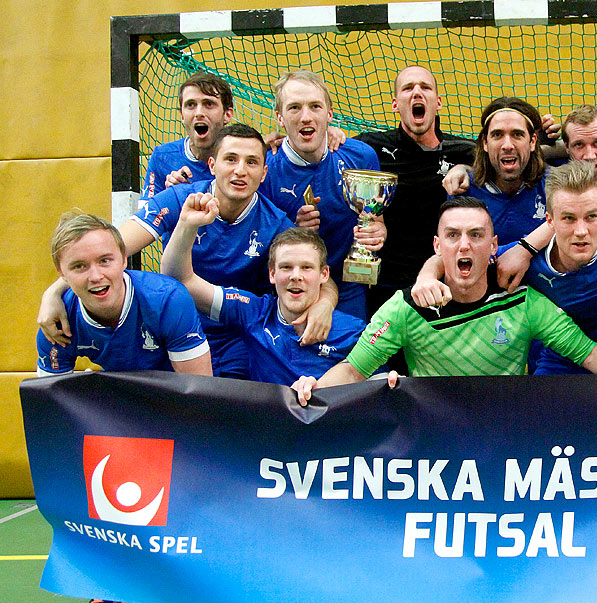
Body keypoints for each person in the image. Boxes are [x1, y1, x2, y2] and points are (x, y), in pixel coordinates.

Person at [292, 197, 597, 404]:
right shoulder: (405, 308)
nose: (465, 244)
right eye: (453, 236)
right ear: (438, 247)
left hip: (504, 434)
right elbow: (354, 370)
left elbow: (588, 352)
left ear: (493, 247)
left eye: (476, 235)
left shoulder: (523, 303)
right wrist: (311, 389)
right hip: (435, 441)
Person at [38, 124, 335, 379]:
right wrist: (53, 293)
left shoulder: (276, 223)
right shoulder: (181, 198)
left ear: (263, 172)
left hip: (236, 336)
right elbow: (109, 250)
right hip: (171, 330)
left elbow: (317, 275)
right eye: (230, 159)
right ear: (212, 165)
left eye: (251, 162)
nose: (240, 171)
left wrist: (325, 303)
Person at [36, 212, 212, 603]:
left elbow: (202, 396)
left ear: (123, 258)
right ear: (61, 274)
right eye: (78, 267)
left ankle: (185, 584)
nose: (95, 275)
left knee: (191, 472)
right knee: (85, 469)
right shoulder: (56, 319)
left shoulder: (167, 299)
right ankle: (107, 581)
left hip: (176, 400)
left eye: (105, 261)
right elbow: (53, 407)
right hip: (117, 408)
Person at [414, 161, 597, 374]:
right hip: (559, 363)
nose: (581, 231)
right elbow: (462, 254)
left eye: (590, 216)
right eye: (568, 218)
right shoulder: (518, 260)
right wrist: (427, 276)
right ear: (549, 221)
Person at [161, 196, 366, 385]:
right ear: (272, 274)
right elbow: (181, 279)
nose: (296, 276)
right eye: (286, 267)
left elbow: (378, 393)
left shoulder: (354, 332)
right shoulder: (253, 311)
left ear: (324, 274)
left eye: (306, 267)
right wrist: (187, 225)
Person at [258, 70, 384, 321]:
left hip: (349, 286)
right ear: (279, 118)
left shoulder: (360, 157)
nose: (306, 117)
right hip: (291, 289)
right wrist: (292, 233)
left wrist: (378, 231)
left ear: (329, 114)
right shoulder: (264, 170)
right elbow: (255, 245)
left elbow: (374, 218)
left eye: (315, 106)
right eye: (294, 108)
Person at [354, 66, 475, 319]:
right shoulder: (370, 147)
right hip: (385, 285)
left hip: (443, 283)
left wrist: (545, 133)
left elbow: (513, 158)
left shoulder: (464, 151)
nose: (417, 93)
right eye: (408, 88)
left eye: (425, 87)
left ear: (438, 103)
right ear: (396, 104)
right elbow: (325, 154)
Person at [441, 97, 551, 244]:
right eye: (497, 135)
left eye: (517, 134)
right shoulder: (462, 190)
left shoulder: (554, 187)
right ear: (485, 143)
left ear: (532, 142)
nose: (507, 145)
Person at [140, 73, 235, 202]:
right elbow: (146, 214)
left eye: (209, 104)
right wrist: (171, 196)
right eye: (191, 105)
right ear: (182, 116)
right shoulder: (162, 156)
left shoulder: (243, 157)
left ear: (227, 115)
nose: (199, 113)